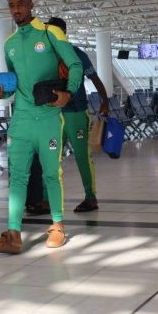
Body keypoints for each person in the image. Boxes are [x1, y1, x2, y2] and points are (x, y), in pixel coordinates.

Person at [0, 0, 83, 254]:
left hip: (49, 117)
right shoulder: (10, 44)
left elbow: (75, 64)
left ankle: (58, 226)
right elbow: (15, 84)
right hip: (22, 119)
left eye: (21, 4)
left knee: (51, 173)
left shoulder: (50, 33)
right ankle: (13, 234)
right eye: (12, 5)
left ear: (31, 4)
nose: (16, 10)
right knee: (17, 176)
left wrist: (68, 93)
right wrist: (2, 92)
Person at [47, 16, 109, 212]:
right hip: (52, 115)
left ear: (64, 33)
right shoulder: (45, 55)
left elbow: (94, 78)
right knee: (51, 157)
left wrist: (105, 100)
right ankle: (48, 199)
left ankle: (90, 197)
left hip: (75, 113)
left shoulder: (77, 54)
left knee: (82, 156)